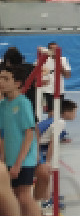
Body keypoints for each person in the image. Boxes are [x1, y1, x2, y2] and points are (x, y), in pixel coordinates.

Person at [0, 64, 41, 215]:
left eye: (6, 79)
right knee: (15, 196)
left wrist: (18, 164)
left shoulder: (23, 103)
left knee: (23, 197)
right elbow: (3, 135)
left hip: (24, 160)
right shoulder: (2, 105)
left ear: (17, 83)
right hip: (9, 159)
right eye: (0, 78)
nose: (1, 82)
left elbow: (29, 135)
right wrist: (3, 160)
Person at [34, 99, 76, 214]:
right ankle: (46, 201)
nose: (75, 115)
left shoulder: (56, 120)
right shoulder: (61, 122)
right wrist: (47, 161)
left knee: (46, 173)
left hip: (40, 145)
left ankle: (47, 196)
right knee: (46, 173)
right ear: (66, 112)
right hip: (37, 146)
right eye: (74, 112)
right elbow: (52, 143)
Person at [40, 42, 72, 143]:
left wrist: (59, 63)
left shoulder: (63, 59)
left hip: (60, 90)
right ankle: (50, 135)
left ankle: (60, 134)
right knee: (52, 113)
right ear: (49, 50)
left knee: (60, 113)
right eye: (52, 49)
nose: (54, 51)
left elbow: (67, 75)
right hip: (48, 91)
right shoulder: (44, 60)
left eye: (56, 49)